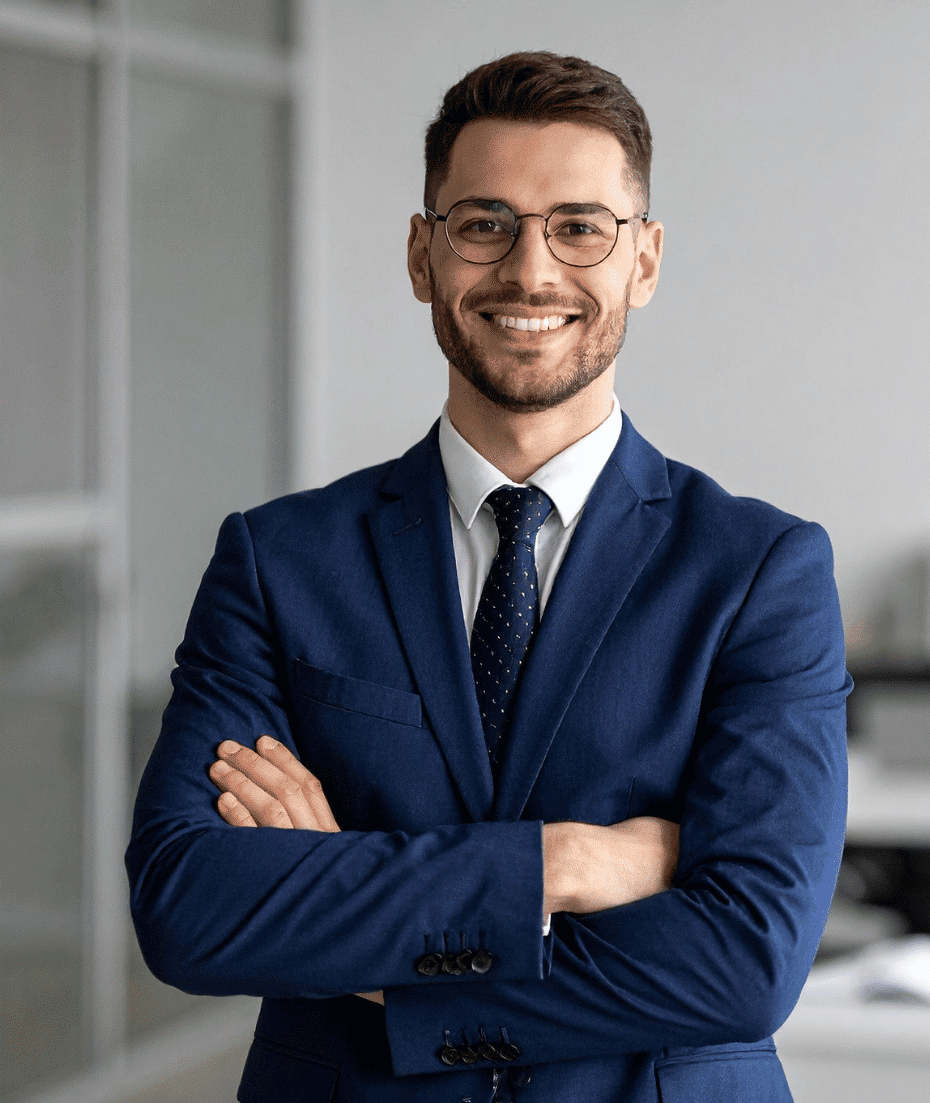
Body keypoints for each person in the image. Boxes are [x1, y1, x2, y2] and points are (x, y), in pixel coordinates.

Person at [125, 52, 849, 1102]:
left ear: (643, 260)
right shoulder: (278, 559)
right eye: (484, 223)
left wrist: (370, 941)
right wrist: (558, 863)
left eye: (580, 226)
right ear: (423, 254)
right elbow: (192, 905)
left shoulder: (759, 569)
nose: (532, 270)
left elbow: (746, 958)